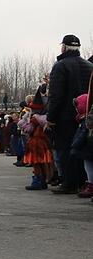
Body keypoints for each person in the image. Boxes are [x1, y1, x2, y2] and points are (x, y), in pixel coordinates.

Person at [46, 34, 93, 194]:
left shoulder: (60, 66)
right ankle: (83, 181)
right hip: (84, 115)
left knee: (65, 149)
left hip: (64, 117)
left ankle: (68, 183)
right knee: (82, 149)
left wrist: (51, 118)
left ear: (64, 47)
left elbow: (56, 96)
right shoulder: (89, 66)